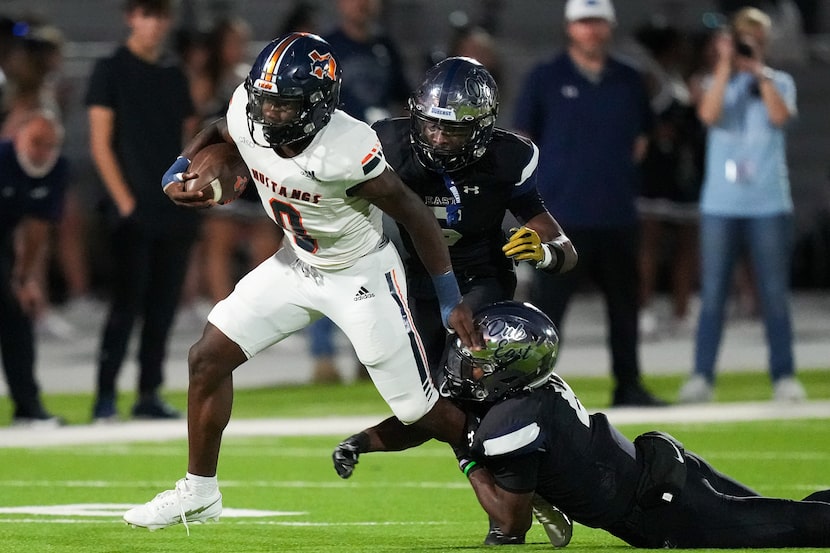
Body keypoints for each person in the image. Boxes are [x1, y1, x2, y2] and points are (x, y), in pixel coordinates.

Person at [122, 32, 480, 532]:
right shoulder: (250, 107)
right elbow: (218, 130)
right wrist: (177, 170)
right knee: (206, 357)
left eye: (283, 106)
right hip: (295, 265)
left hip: (360, 275)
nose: (268, 114)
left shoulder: (348, 147)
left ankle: (513, 466)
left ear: (318, 104)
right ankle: (200, 493)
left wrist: (448, 300)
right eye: (263, 101)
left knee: (421, 411)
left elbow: (416, 215)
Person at [333, 300, 830, 548]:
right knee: (784, 513)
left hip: (658, 507)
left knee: (794, 525)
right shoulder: (521, 391)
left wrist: (465, 453)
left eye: (481, 358)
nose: (466, 362)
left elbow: (510, 524)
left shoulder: (511, 419)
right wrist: (364, 441)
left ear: (512, 366)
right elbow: (430, 417)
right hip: (656, 469)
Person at [373, 56, 577, 381]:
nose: (438, 138)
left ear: (482, 126)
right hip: (411, 280)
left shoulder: (507, 158)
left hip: (478, 278)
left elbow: (564, 251)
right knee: (424, 389)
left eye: (452, 128)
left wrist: (544, 251)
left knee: (476, 376)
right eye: (431, 124)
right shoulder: (386, 144)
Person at [512, 0, 663, 406]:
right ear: (569, 28)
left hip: (616, 212)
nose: (591, 30)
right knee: (546, 313)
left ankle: (628, 385)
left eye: (597, 22)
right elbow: (523, 140)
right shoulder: (545, 77)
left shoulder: (629, 78)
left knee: (624, 309)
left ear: (609, 27)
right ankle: (532, 390)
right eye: (584, 23)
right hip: (562, 216)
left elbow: (641, 141)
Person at [678, 7, 805, 404]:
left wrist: (758, 72)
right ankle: (701, 376)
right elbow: (709, 114)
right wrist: (725, 66)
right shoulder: (711, 81)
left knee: (773, 295)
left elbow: (780, 117)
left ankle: (784, 375)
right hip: (721, 203)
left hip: (769, 203)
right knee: (713, 294)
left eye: (757, 40)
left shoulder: (779, 81)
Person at [85, 0, 201, 421]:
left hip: (172, 208)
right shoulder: (110, 69)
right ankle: (105, 397)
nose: (153, 24)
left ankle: (148, 393)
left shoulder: (173, 74)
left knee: (162, 308)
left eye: (159, 15)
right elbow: (100, 142)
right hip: (132, 211)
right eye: (145, 14)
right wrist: (126, 202)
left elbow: (191, 138)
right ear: (131, 17)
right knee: (124, 307)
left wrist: (188, 190)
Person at [307, 0, 415, 383]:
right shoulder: (325, 47)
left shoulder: (385, 47)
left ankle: (368, 354)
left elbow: (403, 103)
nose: (363, 5)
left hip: (374, 165)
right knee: (322, 259)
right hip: (329, 167)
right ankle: (322, 355)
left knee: (373, 259)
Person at [633, 24, 705, 339]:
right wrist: (654, 132)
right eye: (679, 44)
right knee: (650, 241)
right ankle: (644, 308)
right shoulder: (650, 76)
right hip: (657, 168)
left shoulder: (684, 76)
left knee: (687, 242)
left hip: (685, 166)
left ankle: (682, 310)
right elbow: (641, 118)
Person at [0, 110, 68, 426]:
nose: (41, 152)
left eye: (49, 145)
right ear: (17, 138)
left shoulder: (56, 170)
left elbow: (38, 228)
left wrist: (24, 278)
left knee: (17, 313)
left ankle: (27, 406)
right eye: (36, 142)